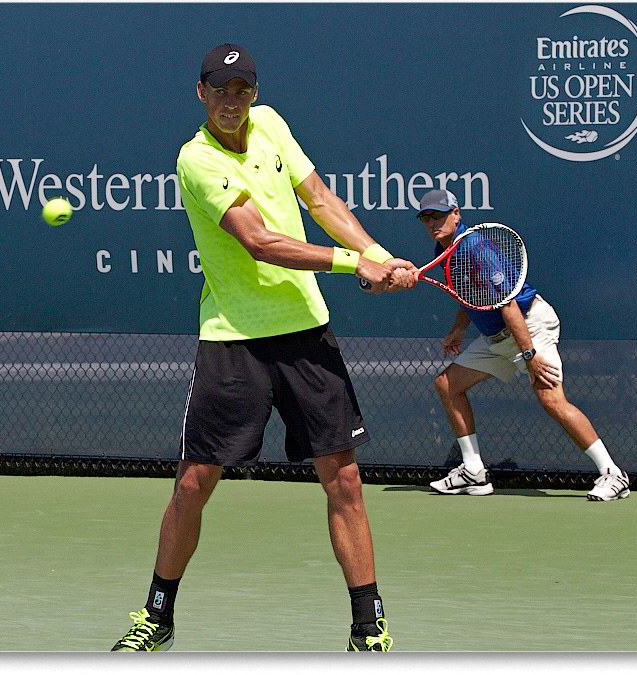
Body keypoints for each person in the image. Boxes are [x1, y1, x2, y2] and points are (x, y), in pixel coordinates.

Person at [110, 43, 416, 652]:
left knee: (345, 480)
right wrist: (354, 262)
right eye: (220, 90)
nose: (232, 100)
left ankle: (367, 624)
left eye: (242, 89)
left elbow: (322, 200)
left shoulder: (271, 123)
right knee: (195, 482)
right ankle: (157, 615)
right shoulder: (195, 160)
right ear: (201, 94)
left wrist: (376, 254)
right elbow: (260, 241)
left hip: (305, 332)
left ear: (254, 92)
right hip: (234, 340)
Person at [415, 188, 630, 501]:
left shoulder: (475, 246)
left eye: (439, 215)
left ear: (456, 214)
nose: (433, 222)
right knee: (448, 385)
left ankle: (613, 473)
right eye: (426, 217)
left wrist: (529, 354)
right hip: (496, 338)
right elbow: (469, 294)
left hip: (528, 326)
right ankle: (473, 471)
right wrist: (458, 330)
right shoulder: (443, 250)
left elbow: (509, 304)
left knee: (552, 401)